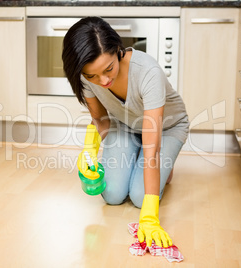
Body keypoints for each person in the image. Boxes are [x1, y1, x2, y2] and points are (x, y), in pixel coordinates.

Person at [62, 17, 189, 248]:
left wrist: (150, 217)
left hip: (167, 128)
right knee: (111, 194)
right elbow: (100, 119)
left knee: (141, 198)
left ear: (118, 50)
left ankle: (165, 170)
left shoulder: (148, 72)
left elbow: (152, 151)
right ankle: (137, 158)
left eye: (108, 69)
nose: (103, 81)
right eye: (92, 76)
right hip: (125, 125)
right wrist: (90, 151)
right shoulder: (86, 75)